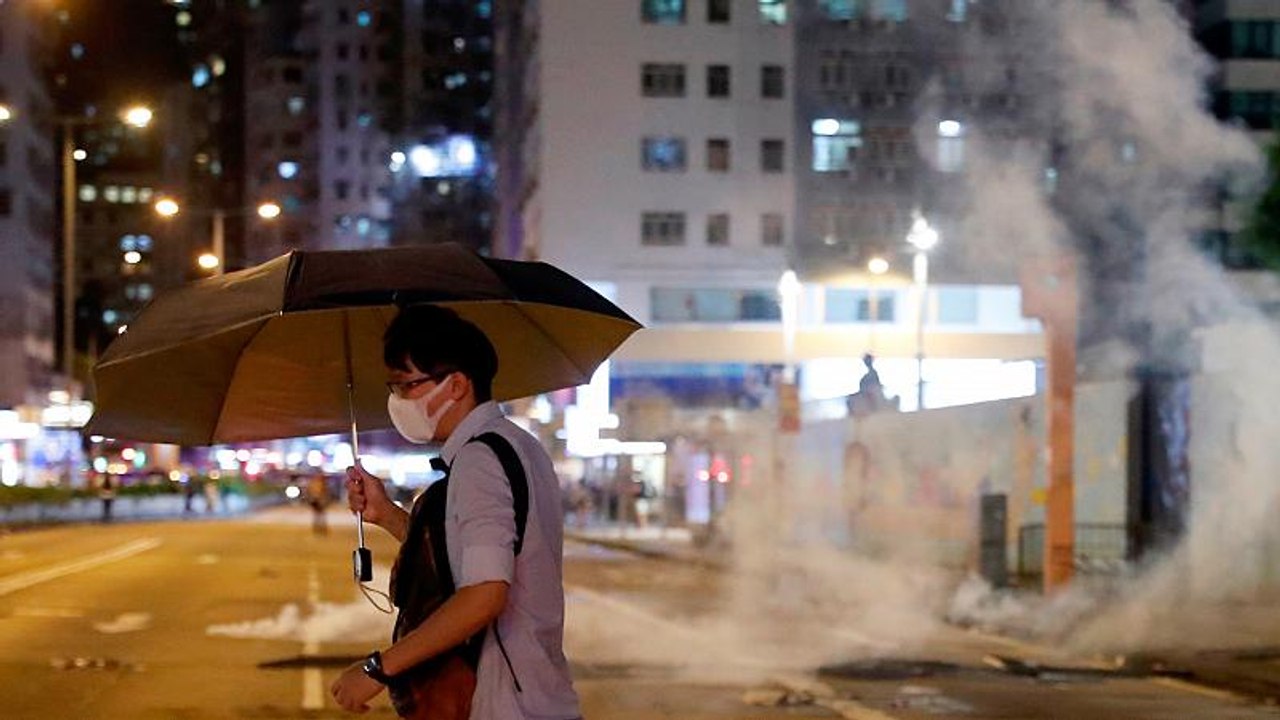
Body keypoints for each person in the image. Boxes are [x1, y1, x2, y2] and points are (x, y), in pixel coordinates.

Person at [331, 305, 581, 720]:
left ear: (457, 385)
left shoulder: (479, 461)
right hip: (540, 696)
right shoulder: (518, 445)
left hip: (502, 704)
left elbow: (484, 594)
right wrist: (388, 514)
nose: (398, 400)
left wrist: (379, 669)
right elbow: (466, 556)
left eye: (407, 385)